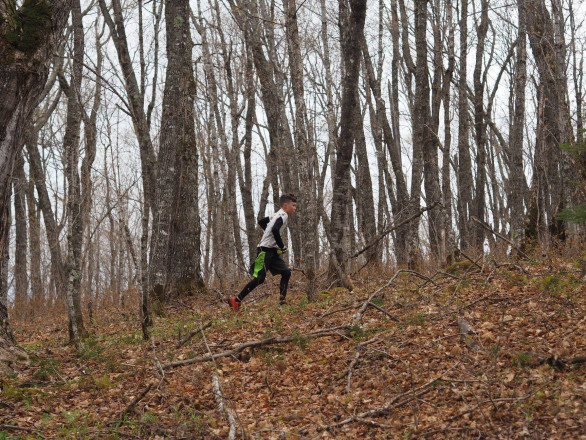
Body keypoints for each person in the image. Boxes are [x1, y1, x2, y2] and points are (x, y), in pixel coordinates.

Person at [228, 193, 297, 311]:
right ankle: (236, 300)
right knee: (260, 279)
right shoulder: (283, 215)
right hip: (264, 251)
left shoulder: (276, 215)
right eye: (293, 205)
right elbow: (275, 229)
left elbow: (261, 222)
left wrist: (268, 234)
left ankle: (282, 302)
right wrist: (282, 246)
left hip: (271, 251)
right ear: (285, 205)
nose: (295, 208)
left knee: (286, 272)